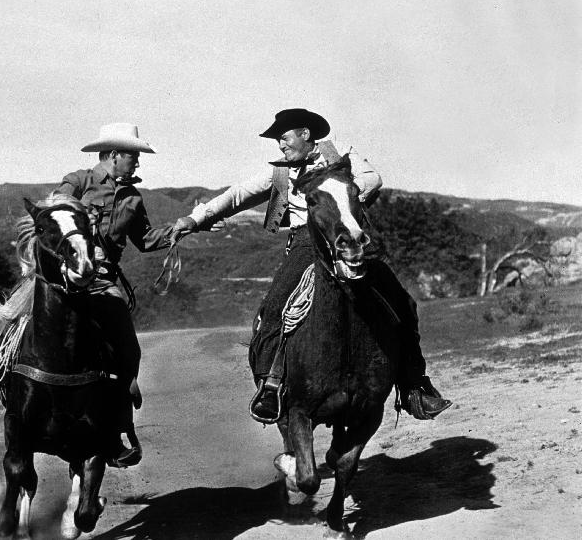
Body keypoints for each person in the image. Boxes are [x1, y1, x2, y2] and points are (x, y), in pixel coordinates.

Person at [170, 108, 451, 423]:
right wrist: (196, 218)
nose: (281, 146)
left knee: (402, 303)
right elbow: (239, 195)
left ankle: (415, 385)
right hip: (307, 243)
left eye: (284, 138)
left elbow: (372, 180)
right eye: (278, 140)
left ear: (306, 134)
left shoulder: (338, 151)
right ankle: (271, 385)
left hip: (347, 234)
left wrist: (333, 194)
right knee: (274, 308)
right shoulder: (280, 172)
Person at [53, 122, 174, 467]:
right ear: (112, 155)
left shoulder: (133, 198)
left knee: (127, 347)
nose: (136, 163)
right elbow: (57, 209)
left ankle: (119, 425)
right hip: (62, 274)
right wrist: (80, 217)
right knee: (8, 318)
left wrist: (187, 226)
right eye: (132, 157)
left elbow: (147, 240)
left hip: (103, 280)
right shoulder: (78, 181)